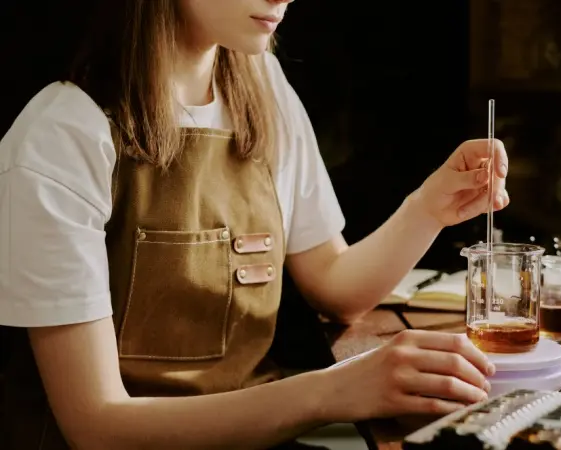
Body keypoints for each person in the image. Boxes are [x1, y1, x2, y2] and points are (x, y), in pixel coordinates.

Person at [0, 0, 510, 448]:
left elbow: (337, 285)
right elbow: (97, 428)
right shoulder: (61, 137)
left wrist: (428, 209)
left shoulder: (263, 87)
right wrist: (334, 389)